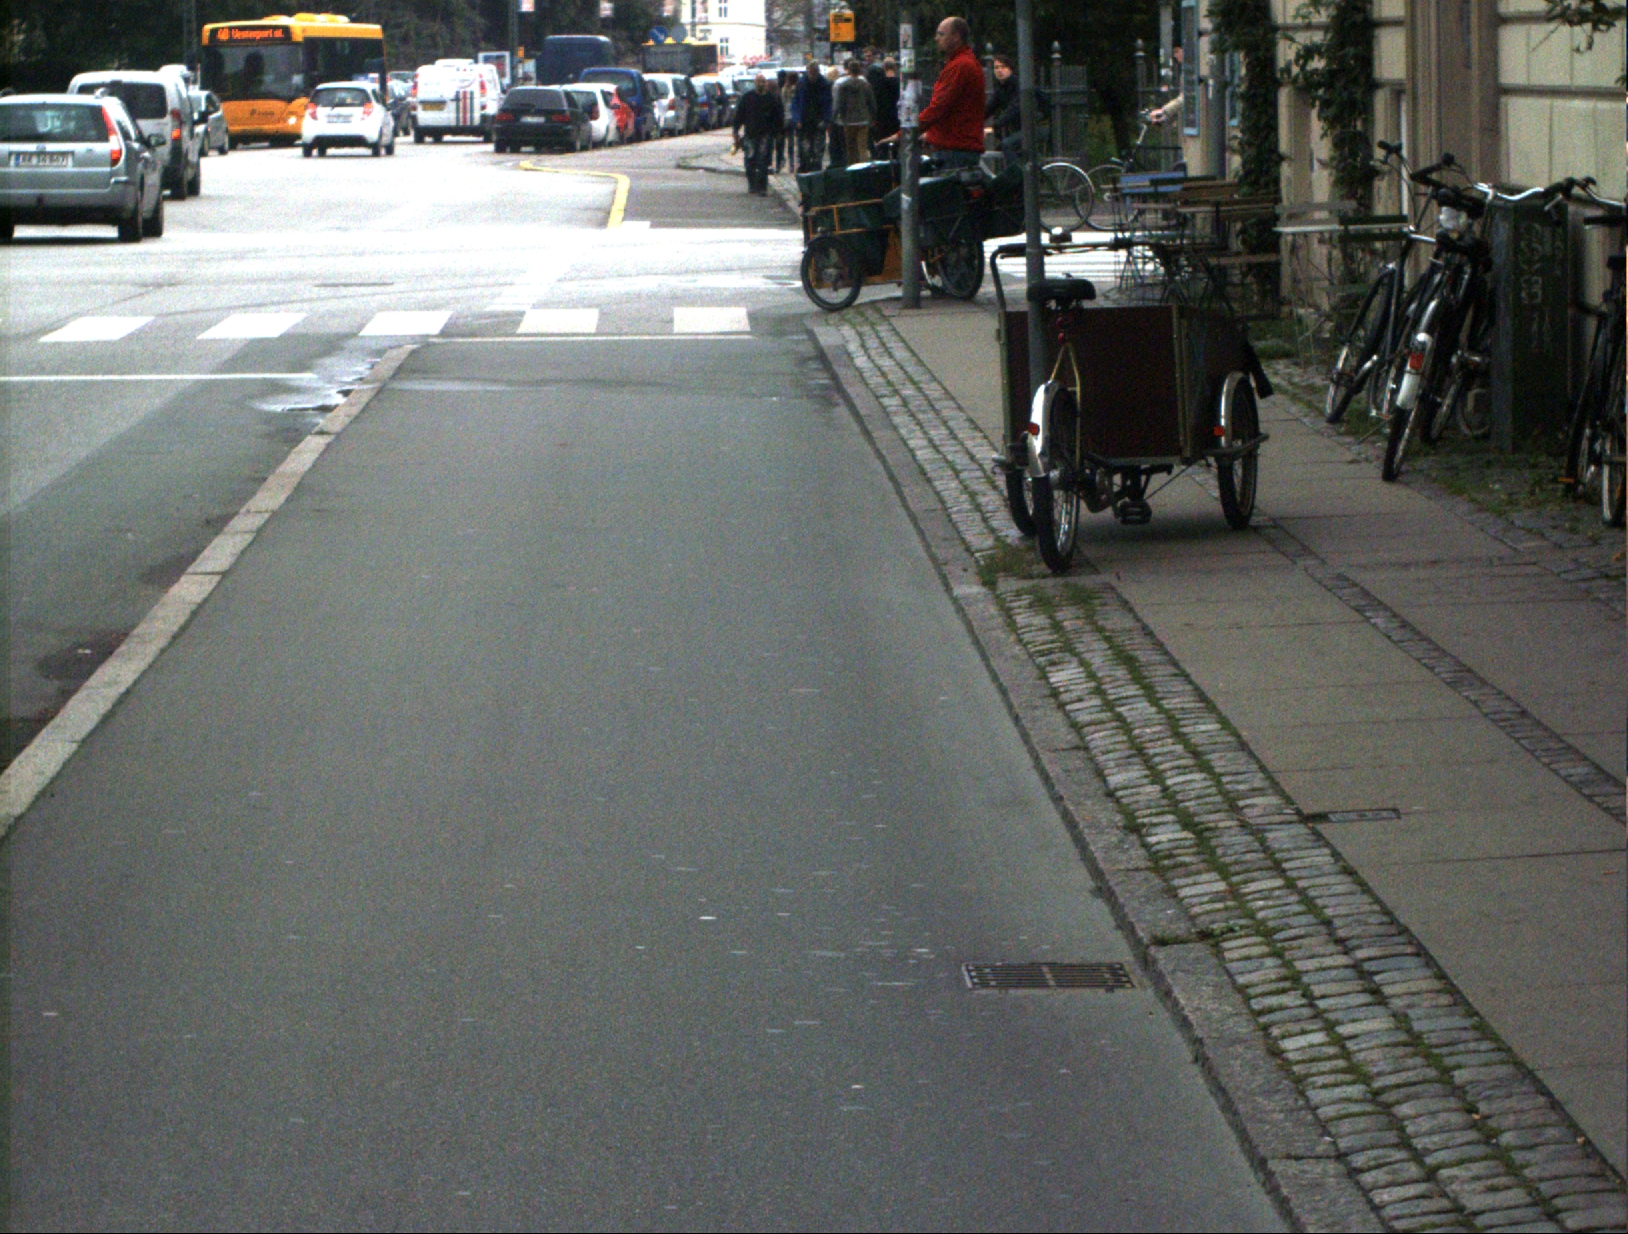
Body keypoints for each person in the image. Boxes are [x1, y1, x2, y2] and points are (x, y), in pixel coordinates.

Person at [917, 16, 985, 169]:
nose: (936, 39)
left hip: (955, 151)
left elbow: (939, 107)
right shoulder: (961, 63)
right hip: (957, 148)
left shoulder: (960, 66)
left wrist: (907, 131)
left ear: (956, 37)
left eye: (941, 34)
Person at [732, 73, 783, 195]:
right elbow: (740, 115)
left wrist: (778, 132)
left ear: (766, 84)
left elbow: (778, 116)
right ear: (755, 83)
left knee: (763, 161)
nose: (761, 84)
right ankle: (752, 185)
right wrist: (736, 131)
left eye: (763, 82)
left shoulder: (771, 98)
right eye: (759, 81)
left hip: (765, 134)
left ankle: (762, 187)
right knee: (750, 159)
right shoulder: (748, 97)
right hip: (750, 133)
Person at [830, 58, 875, 167]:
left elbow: (838, 103)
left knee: (850, 149)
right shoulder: (865, 84)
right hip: (863, 119)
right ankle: (864, 169)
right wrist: (873, 117)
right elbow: (871, 102)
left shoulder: (843, 85)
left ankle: (852, 169)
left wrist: (834, 118)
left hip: (848, 120)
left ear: (849, 70)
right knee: (863, 148)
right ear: (859, 70)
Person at [790, 60, 831, 173]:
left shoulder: (824, 84)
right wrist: (797, 119)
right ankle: (805, 169)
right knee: (804, 150)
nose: (812, 75)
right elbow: (795, 103)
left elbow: (828, 103)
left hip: (818, 120)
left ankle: (816, 171)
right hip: (804, 121)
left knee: (818, 150)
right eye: (810, 72)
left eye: (814, 72)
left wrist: (826, 119)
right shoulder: (801, 84)